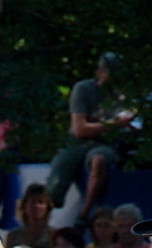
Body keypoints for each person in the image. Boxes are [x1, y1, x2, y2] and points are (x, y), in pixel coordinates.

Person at [46, 54, 133, 219]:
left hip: (107, 144)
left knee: (99, 160)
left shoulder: (126, 95)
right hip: (78, 143)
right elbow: (79, 129)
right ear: (100, 72)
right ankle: (45, 217)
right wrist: (114, 125)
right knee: (57, 177)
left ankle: (84, 214)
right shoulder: (83, 89)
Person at [15, 182, 53, 248]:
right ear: (24, 206)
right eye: (32, 202)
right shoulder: (13, 235)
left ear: (47, 208)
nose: (36, 206)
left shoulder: (53, 235)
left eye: (40, 202)